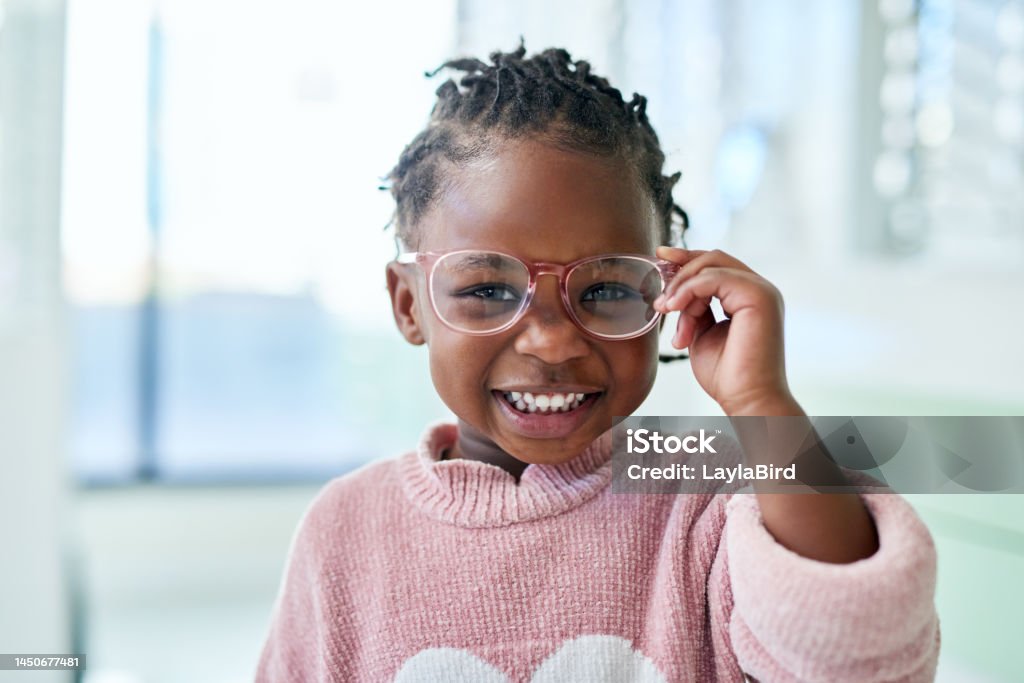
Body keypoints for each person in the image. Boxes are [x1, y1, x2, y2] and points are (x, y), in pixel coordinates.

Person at [255, 44, 939, 682]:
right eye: (488, 290)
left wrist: (762, 401)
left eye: (607, 288)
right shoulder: (344, 530)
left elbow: (859, 651)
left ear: (667, 292)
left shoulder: (713, 499)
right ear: (409, 305)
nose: (552, 342)